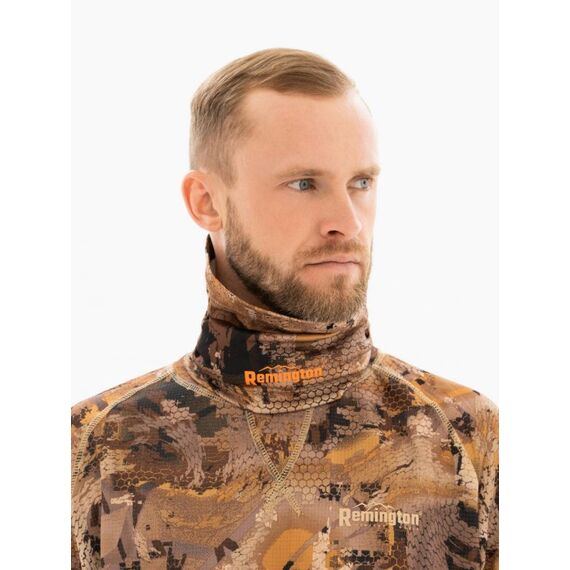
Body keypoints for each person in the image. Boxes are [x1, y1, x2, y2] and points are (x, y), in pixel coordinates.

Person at [71, 47, 499, 570]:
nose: (348, 222)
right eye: (303, 183)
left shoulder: (469, 436)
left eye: (361, 183)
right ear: (207, 202)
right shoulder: (94, 446)